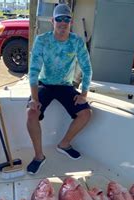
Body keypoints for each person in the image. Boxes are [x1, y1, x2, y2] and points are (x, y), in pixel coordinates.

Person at [26, 3, 93, 175]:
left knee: (86, 113)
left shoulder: (77, 41)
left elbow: (87, 69)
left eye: (67, 19)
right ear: (52, 20)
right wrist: (34, 98)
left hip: (65, 86)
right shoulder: (42, 40)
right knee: (31, 113)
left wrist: (84, 94)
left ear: (71, 21)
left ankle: (64, 143)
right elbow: (33, 70)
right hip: (45, 84)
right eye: (59, 19)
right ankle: (39, 156)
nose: (63, 22)